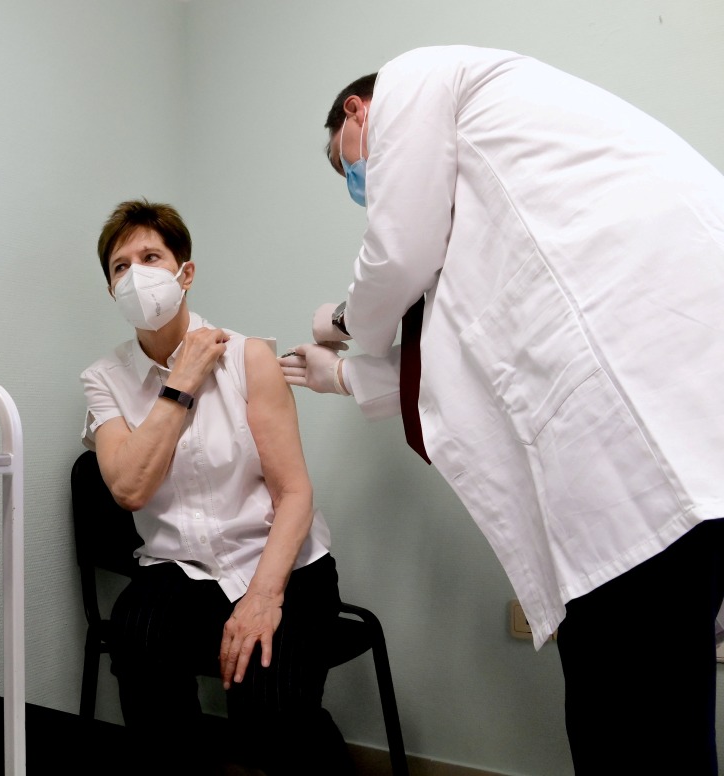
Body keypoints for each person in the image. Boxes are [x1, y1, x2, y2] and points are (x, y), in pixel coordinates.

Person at [279, 45, 724, 774]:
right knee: (634, 702)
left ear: (360, 112)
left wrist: (345, 321)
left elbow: (394, 258)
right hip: (666, 435)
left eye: (350, 164)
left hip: (644, 439)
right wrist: (342, 376)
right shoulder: (483, 210)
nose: (359, 184)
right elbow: (462, 370)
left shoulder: (417, 81)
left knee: (638, 711)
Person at [81, 199, 353, 776]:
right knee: (136, 633)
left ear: (185, 272)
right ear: (111, 290)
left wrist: (262, 596)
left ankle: (311, 744)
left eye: (150, 256)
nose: (136, 275)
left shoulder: (249, 357)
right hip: (182, 570)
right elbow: (129, 489)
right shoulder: (103, 380)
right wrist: (179, 383)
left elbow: (294, 494)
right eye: (120, 267)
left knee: (269, 710)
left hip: (282, 563)